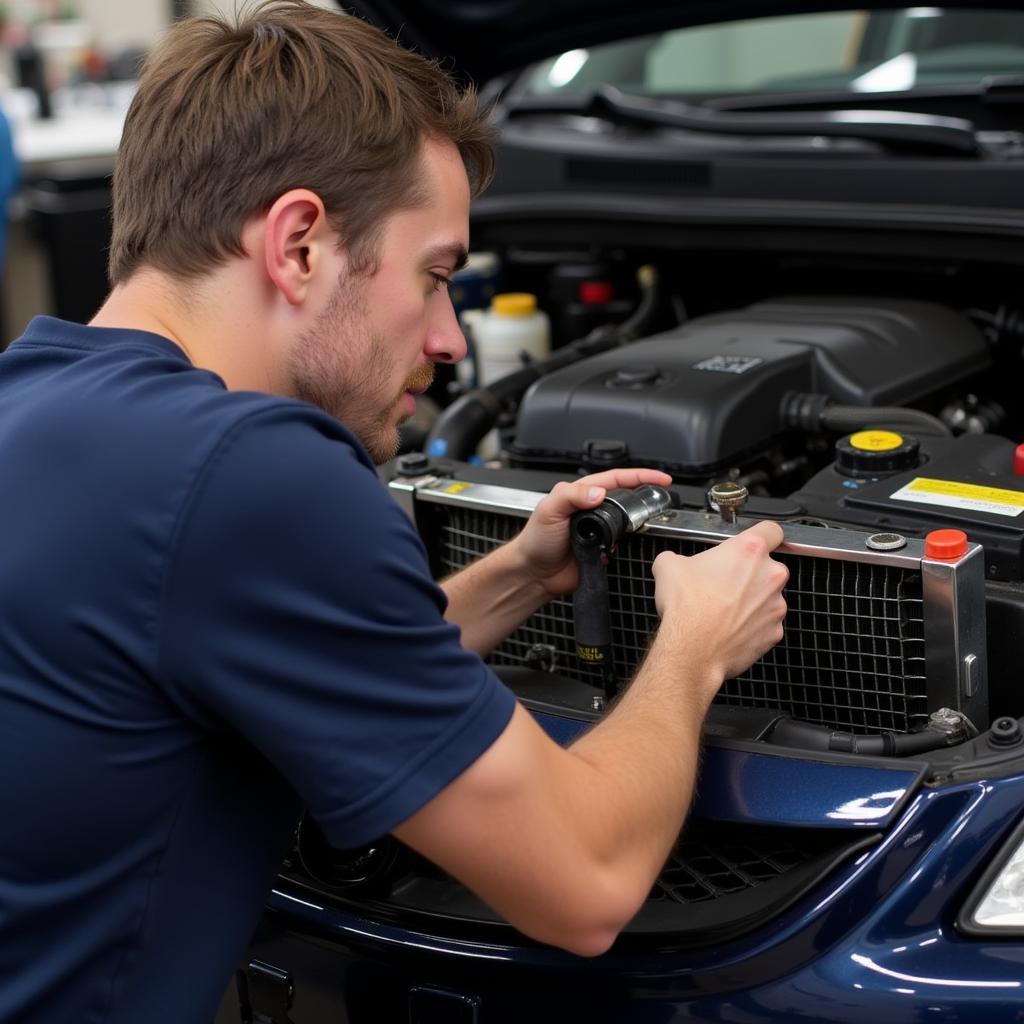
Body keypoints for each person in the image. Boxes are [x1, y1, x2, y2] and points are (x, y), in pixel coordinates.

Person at [0, 3, 789, 1022]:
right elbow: (586, 885)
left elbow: (259, 660)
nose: (450, 338)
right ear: (297, 245)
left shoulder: (35, 394)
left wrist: (511, 573)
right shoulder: (254, 474)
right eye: (435, 276)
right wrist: (696, 642)